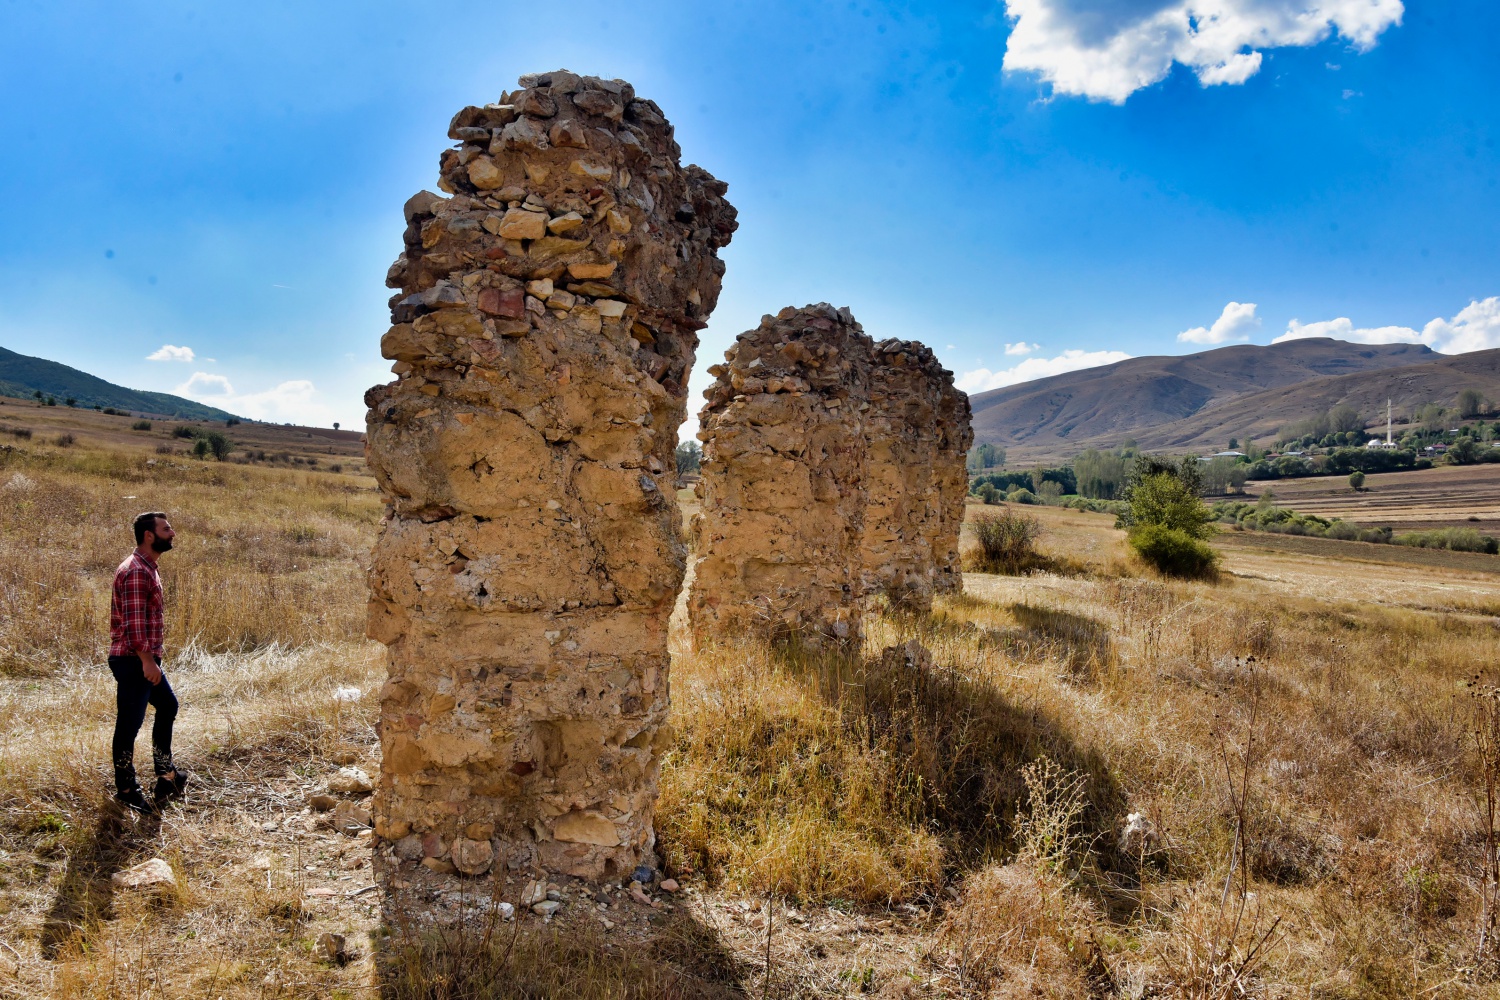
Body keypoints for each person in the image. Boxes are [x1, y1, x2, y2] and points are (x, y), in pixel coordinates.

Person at [108, 511, 189, 813]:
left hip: (142, 659)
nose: (173, 533)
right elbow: (133, 623)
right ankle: (127, 789)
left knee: (167, 706)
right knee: (128, 727)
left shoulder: (148, 567)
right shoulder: (136, 571)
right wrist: (147, 660)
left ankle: (166, 775)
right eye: (167, 529)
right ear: (149, 535)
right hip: (134, 660)